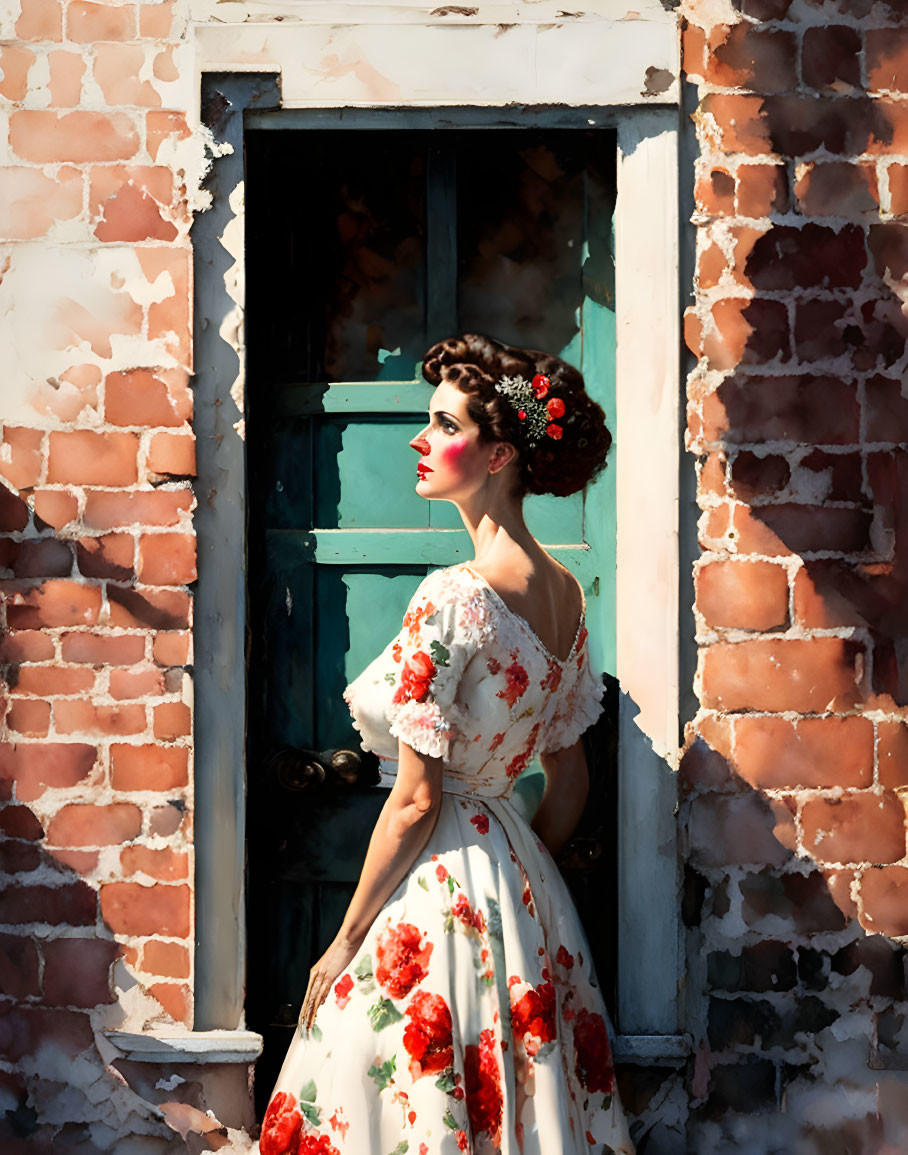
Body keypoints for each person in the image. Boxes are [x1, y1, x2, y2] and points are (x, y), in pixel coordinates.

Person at [259, 334, 635, 1155]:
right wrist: (512, 864)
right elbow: (566, 778)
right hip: (521, 882)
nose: (418, 441)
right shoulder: (564, 594)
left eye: (441, 424)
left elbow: (418, 798)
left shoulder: (452, 596)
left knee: (407, 1091)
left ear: (498, 453)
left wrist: (345, 939)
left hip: (437, 872)